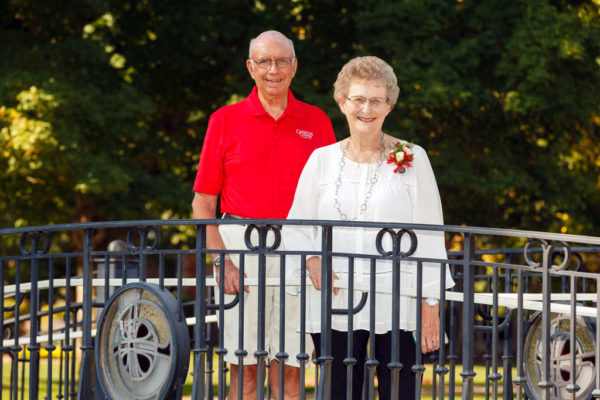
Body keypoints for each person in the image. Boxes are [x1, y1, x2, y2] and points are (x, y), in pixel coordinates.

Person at [282, 56, 455, 399]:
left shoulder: (412, 157)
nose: (367, 108)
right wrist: (312, 260)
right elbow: (296, 226)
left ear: (389, 105)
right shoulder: (321, 160)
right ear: (342, 102)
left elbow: (431, 235)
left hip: (398, 300)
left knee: (399, 391)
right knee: (339, 392)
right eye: (358, 99)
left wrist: (430, 305)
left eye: (376, 100)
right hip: (336, 298)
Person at [191, 30, 336, 399]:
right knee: (244, 367)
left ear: (295, 67)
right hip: (240, 246)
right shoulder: (224, 120)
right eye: (265, 61)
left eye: (282, 60)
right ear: (250, 68)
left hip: (300, 246)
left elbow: (331, 199)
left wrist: (319, 255)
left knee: (290, 366)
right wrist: (221, 260)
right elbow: (203, 202)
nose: (274, 69)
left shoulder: (317, 120)